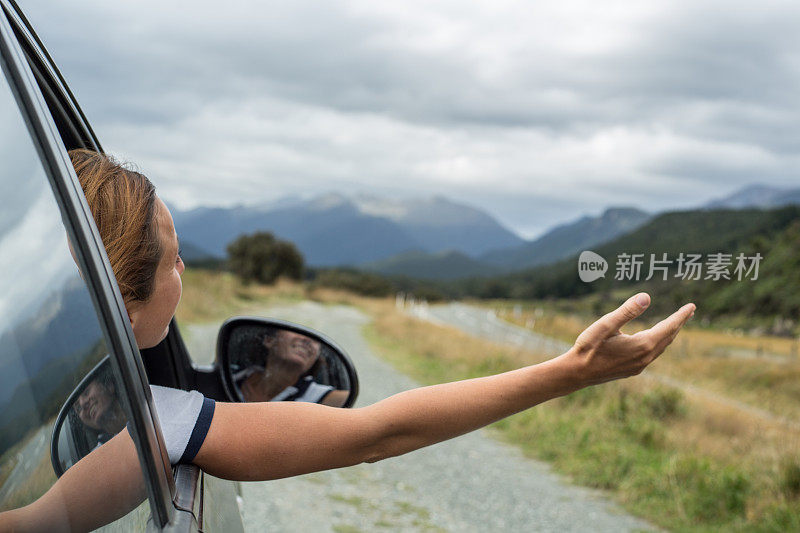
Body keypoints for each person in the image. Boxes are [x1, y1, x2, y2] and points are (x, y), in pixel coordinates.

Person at [0, 150, 695, 532]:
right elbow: (377, 432)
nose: (185, 273)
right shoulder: (162, 423)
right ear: (124, 296)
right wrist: (570, 371)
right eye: (175, 259)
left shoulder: (123, 410)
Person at [233, 327, 350, 406]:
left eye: (315, 340)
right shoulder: (233, 374)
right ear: (269, 340)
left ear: (315, 358)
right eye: (297, 331)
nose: (308, 340)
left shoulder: (316, 396)